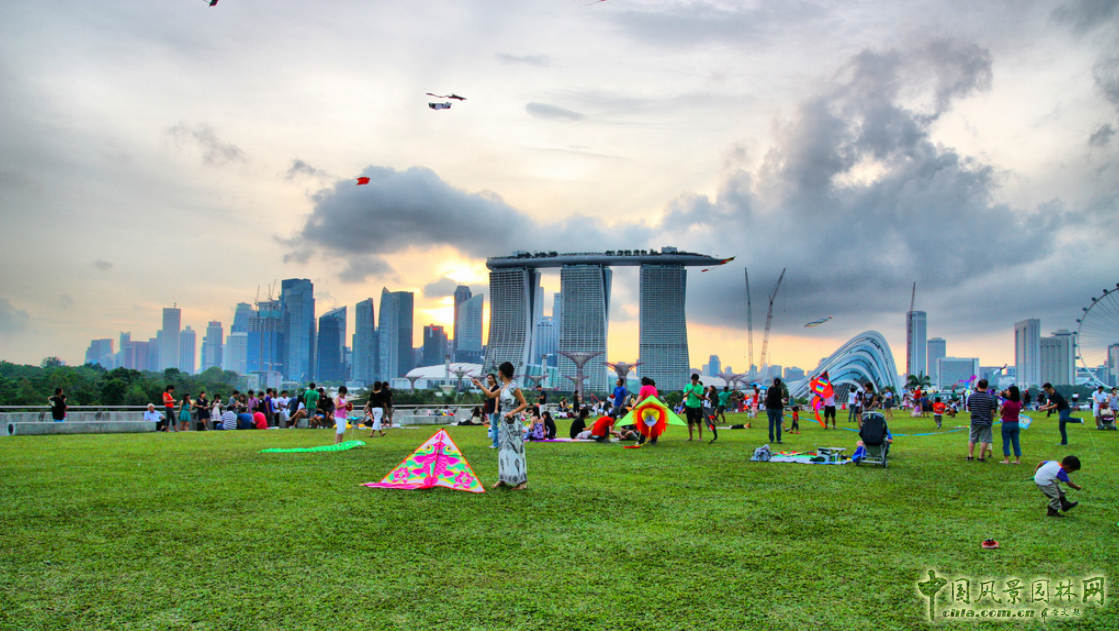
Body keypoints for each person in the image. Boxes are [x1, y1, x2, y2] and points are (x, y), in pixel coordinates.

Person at [472, 361, 528, 491]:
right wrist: (479, 385)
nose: (498, 373)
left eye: (499, 371)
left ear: (501, 372)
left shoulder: (514, 387)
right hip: (503, 422)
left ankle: (522, 482)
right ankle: (503, 478)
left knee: (515, 449)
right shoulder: (502, 388)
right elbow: (490, 395)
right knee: (503, 449)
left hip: (513, 423)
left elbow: (524, 404)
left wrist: (512, 412)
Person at [966, 379, 997, 461]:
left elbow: (968, 408)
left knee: (972, 439)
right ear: (987, 387)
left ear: (977, 385)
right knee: (985, 440)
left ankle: (970, 455)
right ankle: (981, 457)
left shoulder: (971, 396)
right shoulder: (990, 397)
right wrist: (991, 420)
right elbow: (993, 410)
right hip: (986, 421)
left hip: (975, 420)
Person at [998, 385, 1023, 465]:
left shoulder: (1007, 403)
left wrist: (1002, 411)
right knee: (1016, 441)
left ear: (1011, 393)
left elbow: (1001, 412)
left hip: (1007, 423)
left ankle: (1006, 459)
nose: (1007, 392)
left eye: (1008, 391)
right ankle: (1017, 459)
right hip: (1015, 423)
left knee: (1006, 441)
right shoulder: (1019, 402)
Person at [682, 374, 705, 441]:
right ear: (691, 379)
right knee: (689, 422)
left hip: (697, 406)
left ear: (697, 380)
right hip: (689, 405)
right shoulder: (688, 386)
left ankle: (700, 437)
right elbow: (684, 395)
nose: (694, 381)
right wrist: (688, 392)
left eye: (695, 380)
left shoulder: (700, 387)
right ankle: (690, 437)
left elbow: (700, 396)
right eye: (693, 380)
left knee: (698, 422)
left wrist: (694, 393)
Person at [765, 378, 785, 444]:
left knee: (771, 424)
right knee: (778, 424)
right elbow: (780, 397)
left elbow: (768, 395)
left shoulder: (769, 389)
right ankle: (778, 439)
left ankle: (771, 439)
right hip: (778, 408)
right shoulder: (781, 390)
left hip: (770, 407)